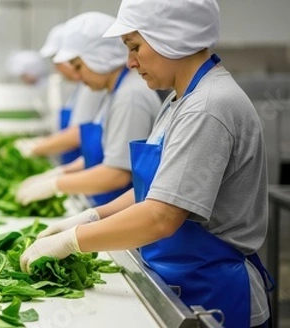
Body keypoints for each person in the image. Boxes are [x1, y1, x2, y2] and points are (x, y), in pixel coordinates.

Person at [19, 1, 273, 327]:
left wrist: (73, 239)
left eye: (135, 47)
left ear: (173, 36)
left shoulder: (207, 108)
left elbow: (161, 217)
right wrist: (93, 215)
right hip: (183, 280)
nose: (130, 62)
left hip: (217, 298)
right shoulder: (179, 100)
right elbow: (155, 190)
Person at [15, 12, 161, 207]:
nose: (75, 75)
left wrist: (56, 184)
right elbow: (105, 152)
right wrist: (62, 172)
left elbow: (118, 174)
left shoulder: (130, 96)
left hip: (122, 212)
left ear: (99, 57)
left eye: (78, 66)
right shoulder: (114, 93)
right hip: (107, 204)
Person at [15, 23, 108, 165]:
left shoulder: (94, 87)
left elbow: (79, 133)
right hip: (78, 164)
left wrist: (36, 148)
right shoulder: (78, 88)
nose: (56, 67)